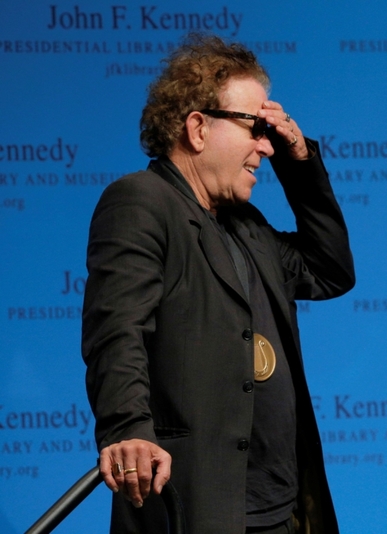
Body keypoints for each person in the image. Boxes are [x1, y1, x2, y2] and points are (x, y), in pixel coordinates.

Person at [82, 33, 355, 534]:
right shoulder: (141, 201)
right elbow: (117, 332)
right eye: (254, 127)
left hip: (282, 509)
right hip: (199, 507)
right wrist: (126, 430)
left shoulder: (245, 223)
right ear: (198, 128)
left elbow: (329, 270)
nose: (265, 146)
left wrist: (301, 162)